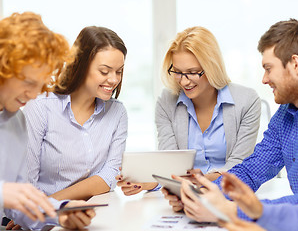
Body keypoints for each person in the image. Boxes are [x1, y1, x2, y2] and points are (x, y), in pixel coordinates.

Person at [164, 19, 298, 221]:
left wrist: (231, 211)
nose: (264, 79)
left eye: (268, 68)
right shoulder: (284, 115)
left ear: (296, 65)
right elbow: (253, 169)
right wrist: (201, 195)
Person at [117, 26, 261, 196]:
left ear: (212, 67)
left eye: (192, 72)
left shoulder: (247, 101)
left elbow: (240, 164)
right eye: (177, 72)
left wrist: (202, 180)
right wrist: (145, 182)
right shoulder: (166, 102)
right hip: (182, 194)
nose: (184, 82)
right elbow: (169, 163)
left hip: (230, 193)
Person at [0, 12, 95, 230]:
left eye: (41, 85)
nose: (34, 95)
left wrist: (59, 212)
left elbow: (19, 200)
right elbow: (7, 193)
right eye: (28, 82)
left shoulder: (17, 122)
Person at [23, 26, 128, 202]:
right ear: (80, 65)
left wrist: (52, 202)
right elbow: (26, 181)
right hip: (39, 221)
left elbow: (111, 173)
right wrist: (43, 211)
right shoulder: (41, 107)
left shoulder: (117, 112)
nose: (114, 79)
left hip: (87, 214)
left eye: (119, 71)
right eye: (104, 71)